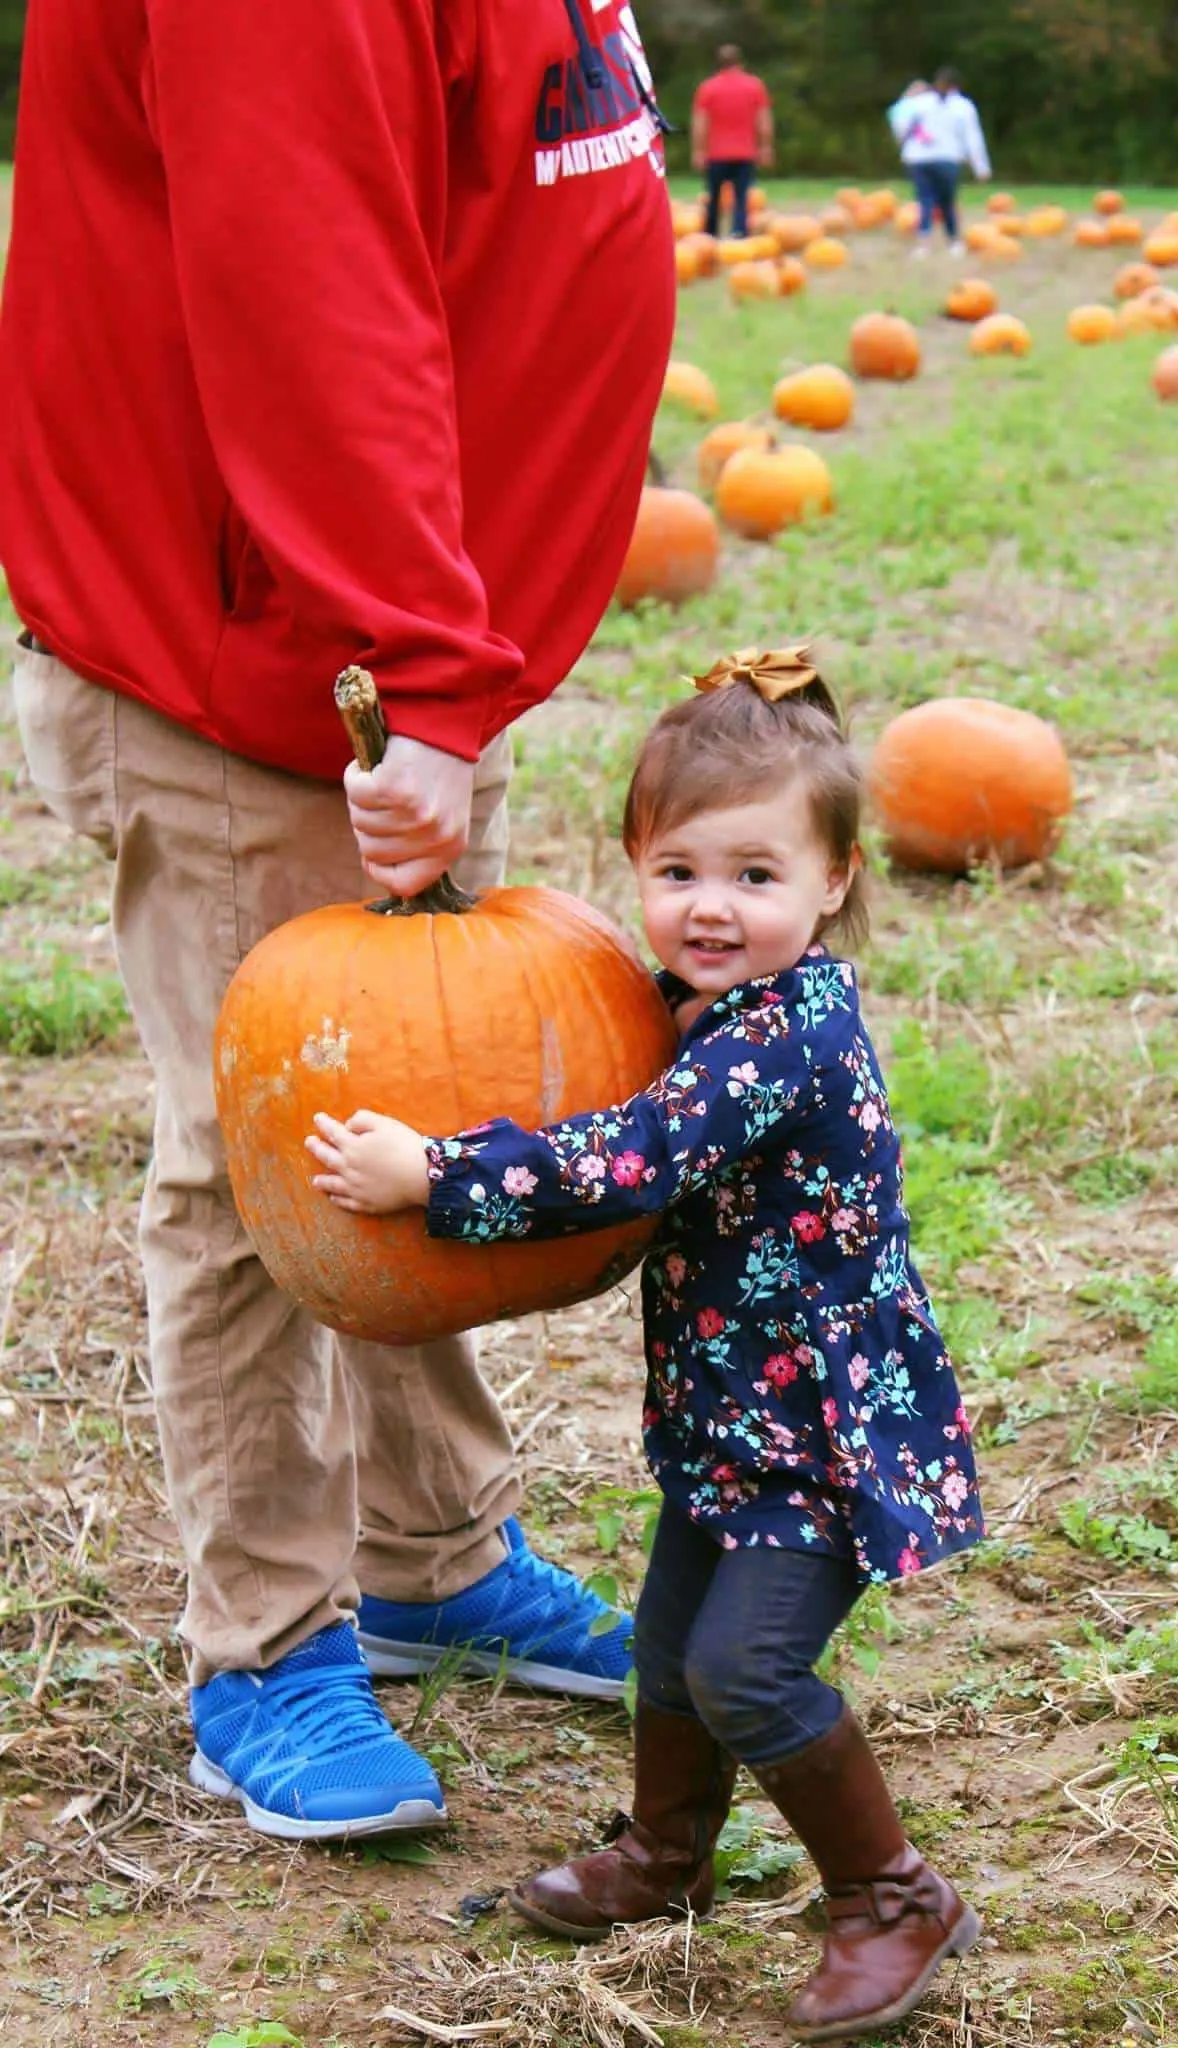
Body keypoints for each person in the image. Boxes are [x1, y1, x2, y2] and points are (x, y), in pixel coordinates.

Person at [0, 0, 675, 1841]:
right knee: (263, 1162)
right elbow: (302, 279)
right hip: (280, 651)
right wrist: (431, 663)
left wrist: (467, 640)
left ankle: (435, 1557)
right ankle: (266, 1644)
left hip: (397, 624)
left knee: (415, 1098)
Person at [307, 650, 985, 2042]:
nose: (713, 908)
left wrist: (439, 1174)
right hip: (727, 1419)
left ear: (835, 883)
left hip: (820, 1436)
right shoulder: (690, 1012)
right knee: (670, 1656)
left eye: (755, 876)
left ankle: (891, 1895)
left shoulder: (787, 1033)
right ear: (633, 864)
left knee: (746, 1670)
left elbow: (637, 1156)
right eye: (679, 872)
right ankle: (667, 1856)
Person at [888, 66, 991, 257]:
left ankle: (924, 244)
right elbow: (973, 137)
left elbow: (901, 120)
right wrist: (981, 167)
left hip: (919, 158)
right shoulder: (963, 106)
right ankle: (953, 242)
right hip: (947, 158)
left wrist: (903, 144)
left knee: (925, 200)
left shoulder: (920, 102)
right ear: (956, 86)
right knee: (946, 201)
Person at [691, 44, 774, 240]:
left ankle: (710, 235)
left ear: (718, 64)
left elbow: (700, 123)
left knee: (713, 197)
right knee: (741, 197)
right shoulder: (755, 86)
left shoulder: (708, 88)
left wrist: (698, 151)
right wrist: (765, 147)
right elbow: (763, 121)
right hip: (744, 152)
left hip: (716, 154)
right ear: (740, 62)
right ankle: (739, 233)